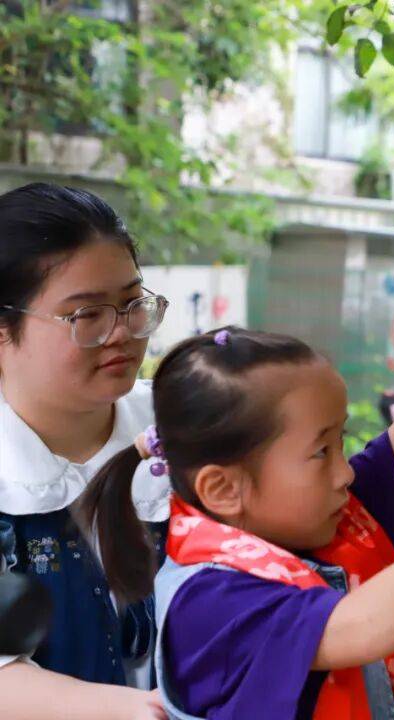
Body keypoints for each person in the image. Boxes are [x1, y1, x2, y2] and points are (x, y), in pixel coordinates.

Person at [83, 225, 394, 718]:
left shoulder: (321, 511)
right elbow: (361, 626)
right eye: (320, 451)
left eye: (340, 443)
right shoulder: (208, 601)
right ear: (224, 489)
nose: (345, 473)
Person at [0, 183, 171, 719]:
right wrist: (149, 711)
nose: (122, 333)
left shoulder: (183, 422)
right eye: (87, 315)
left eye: (131, 303)